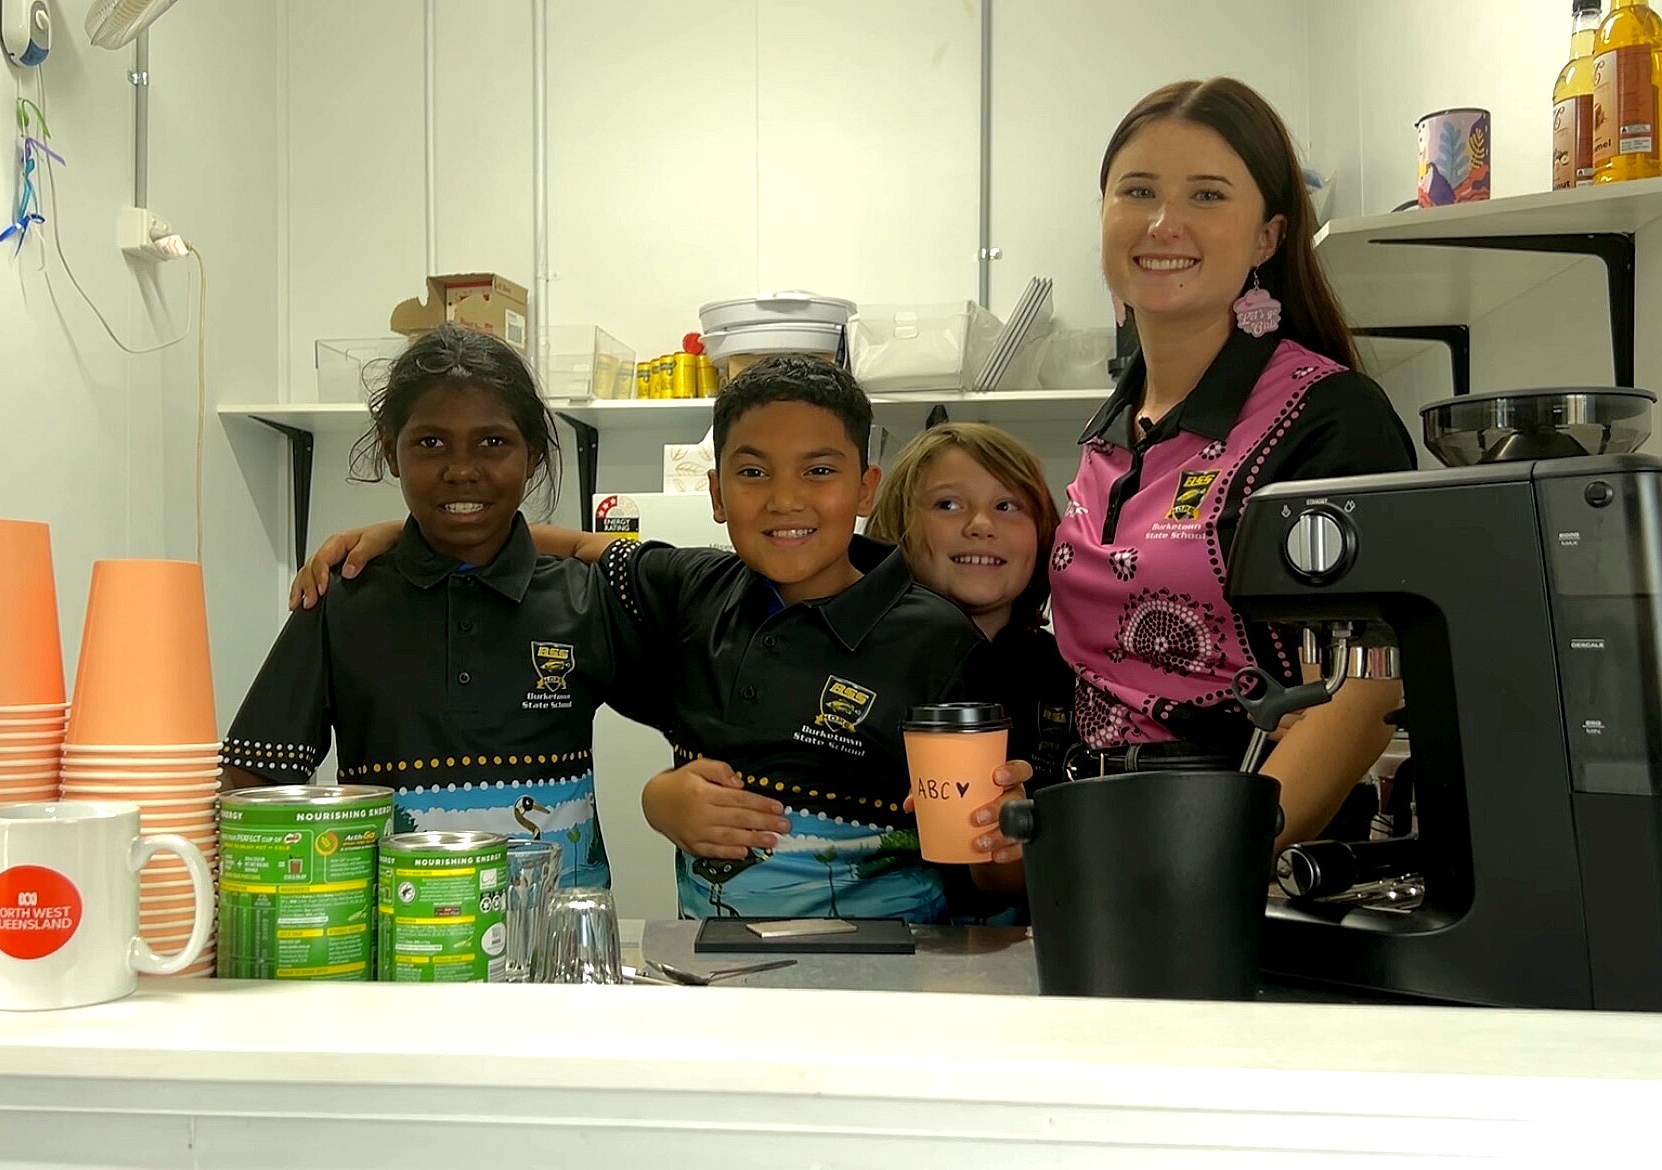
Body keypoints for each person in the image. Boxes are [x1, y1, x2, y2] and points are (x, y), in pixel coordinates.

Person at [291, 355, 1033, 922]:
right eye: (751, 471)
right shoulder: (690, 590)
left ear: (866, 488)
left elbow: (994, 875)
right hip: (714, 979)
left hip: (889, 987)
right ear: (713, 491)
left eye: (819, 471)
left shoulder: (937, 641)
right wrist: (420, 532)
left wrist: (1002, 845)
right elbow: (574, 546)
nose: (784, 499)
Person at [1055, 77, 1414, 849]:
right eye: (1136, 190)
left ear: (1266, 237)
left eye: (1207, 195)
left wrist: (1206, 862)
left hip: (1247, 842)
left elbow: (1364, 688)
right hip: (1093, 830)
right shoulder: (1107, 434)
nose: (1162, 222)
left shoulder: (1326, 417)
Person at [222, 324, 655, 889]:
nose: (461, 468)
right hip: (394, 949)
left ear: (533, 452)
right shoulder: (341, 596)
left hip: (555, 956)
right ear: (390, 451)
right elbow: (254, 782)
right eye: (430, 443)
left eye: (493, 442)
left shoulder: (584, 596)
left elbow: (700, 718)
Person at [863, 422, 1073, 787]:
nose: (981, 525)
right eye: (948, 504)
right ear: (899, 525)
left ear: (1042, 533)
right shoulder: (849, 660)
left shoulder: (1069, 676)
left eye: (1007, 505)